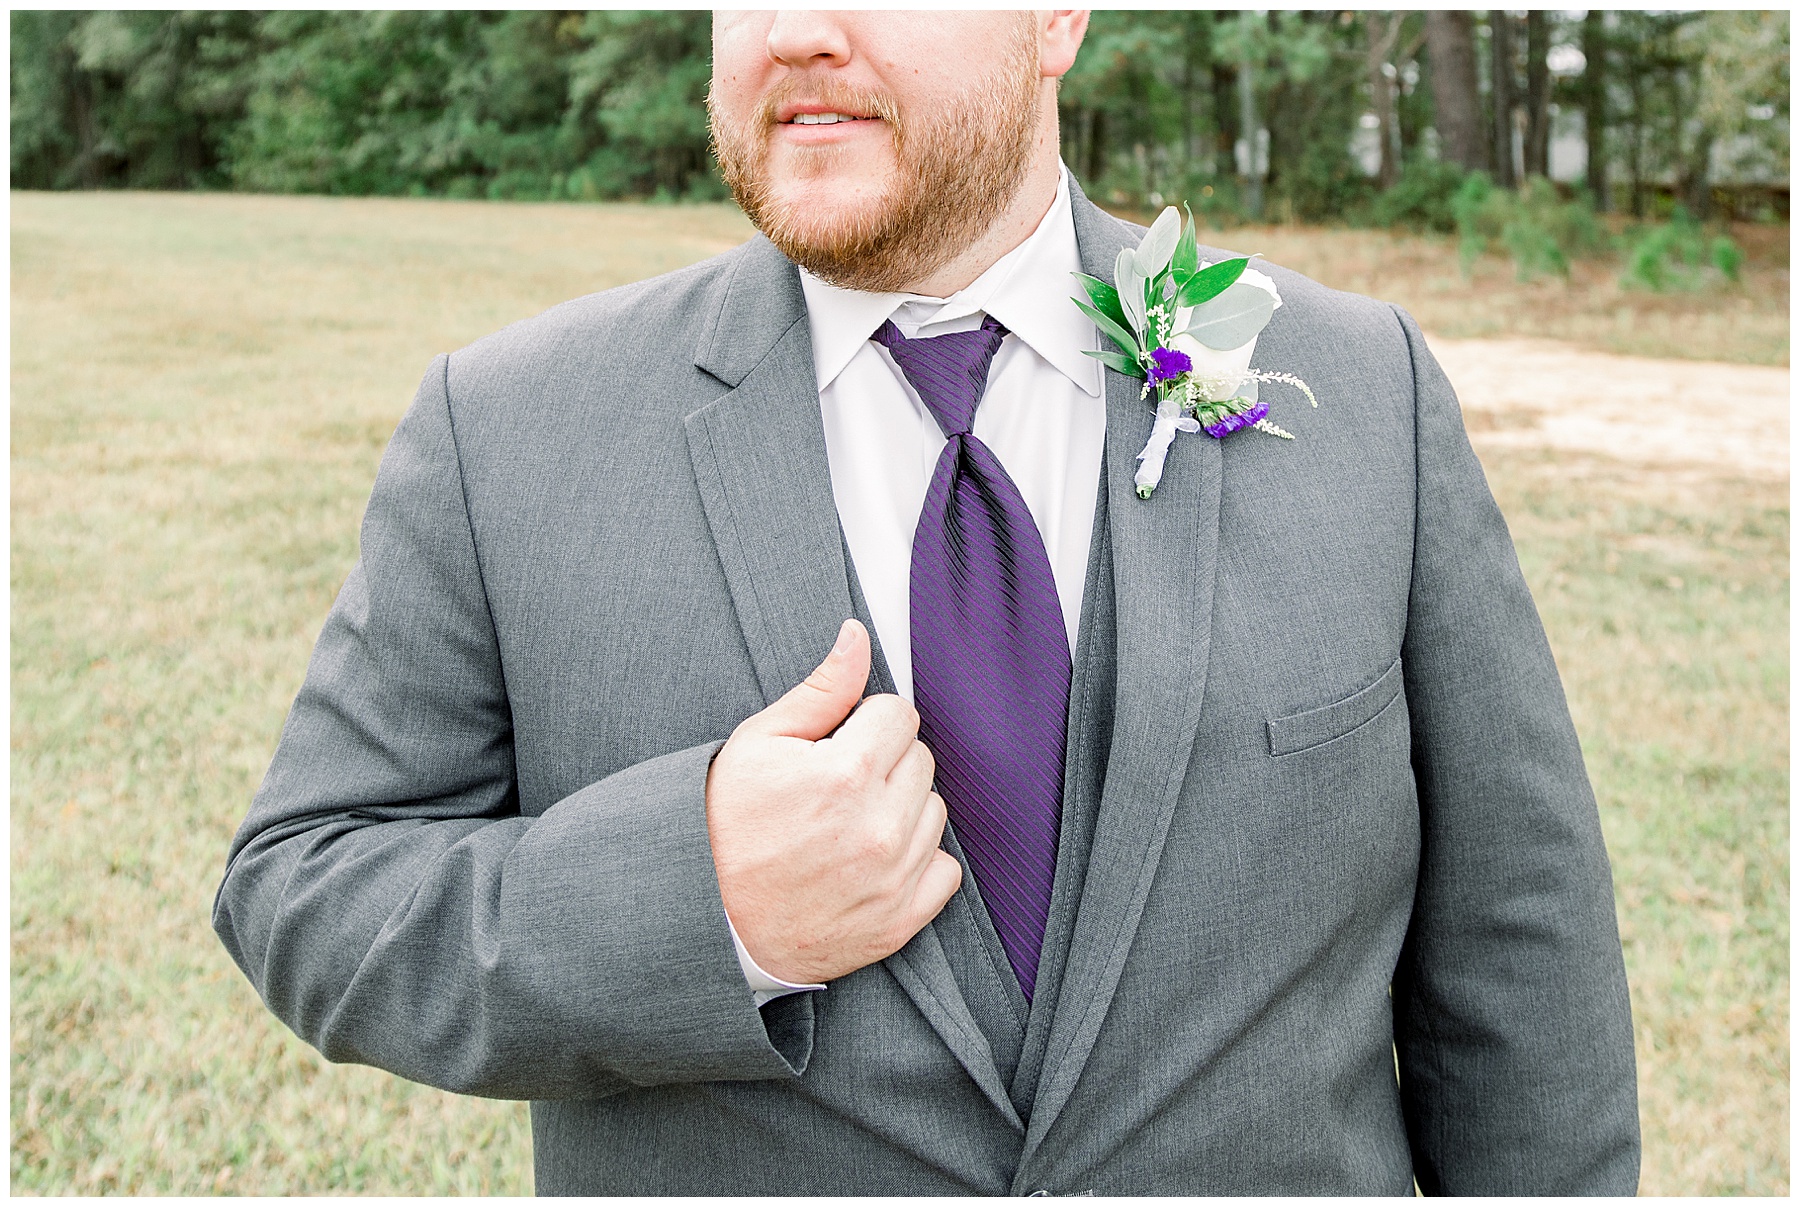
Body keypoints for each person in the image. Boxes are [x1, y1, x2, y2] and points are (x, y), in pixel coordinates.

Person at [213, 10, 1639, 1195]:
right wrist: (701, 908)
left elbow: (1521, 954)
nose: (794, 32)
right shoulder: (508, 430)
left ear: (1058, 21)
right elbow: (306, 887)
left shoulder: (1363, 391)